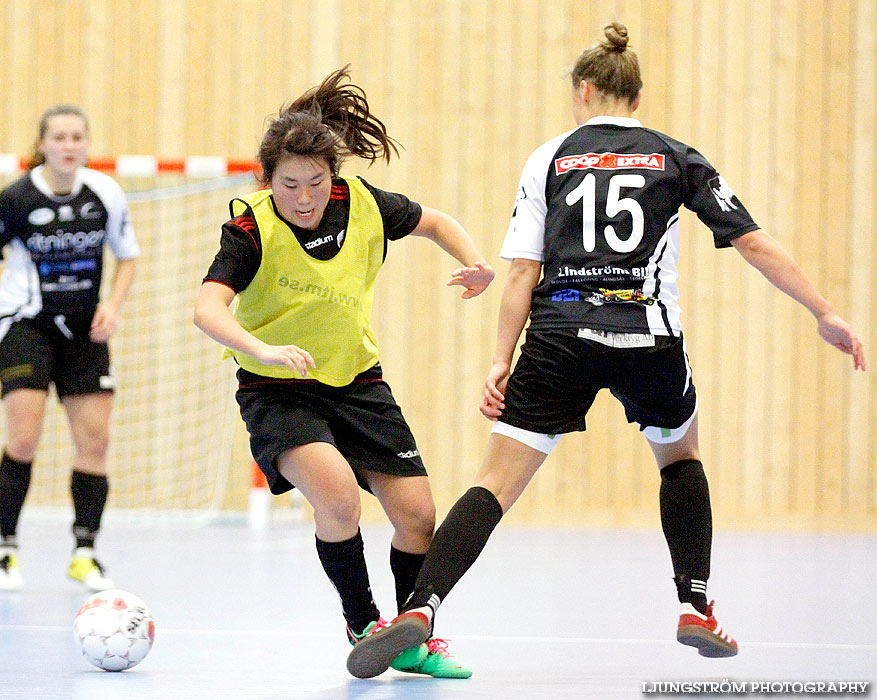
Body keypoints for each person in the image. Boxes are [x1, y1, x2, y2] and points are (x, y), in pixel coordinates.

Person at [346, 22, 867, 678]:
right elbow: (752, 241)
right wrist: (822, 310)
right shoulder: (675, 155)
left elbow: (519, 273)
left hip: (558, 336)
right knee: (679, 457)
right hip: (646, 337)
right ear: (636, 100)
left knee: (494, 483)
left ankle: (420, 607)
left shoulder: (551, 158)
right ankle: (694, 606)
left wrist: (501, 359)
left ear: (583, 91)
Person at [193, 66, 494, 679]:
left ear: (333, 176)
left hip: (357, 382)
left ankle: (414, 636)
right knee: (334, 496)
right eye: (288, 185)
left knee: (417, 516)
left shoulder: (363, 206)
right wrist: (263, 348)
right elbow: (205, 308)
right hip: (277, 390)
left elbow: (435, 221)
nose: (304, 199)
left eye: (316, 182)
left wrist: (477, 263)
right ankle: (363, 624)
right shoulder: (251, 229)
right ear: (267, 180)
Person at [0, 104, 139, 592]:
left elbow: (127, 258)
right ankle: (5, 550)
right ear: (43, 143)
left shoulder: (105, 193)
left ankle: (85, 552)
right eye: (59, 137)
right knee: (22, 438)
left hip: (85, 331)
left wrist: (112, 308)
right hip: (26, 326)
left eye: (77, 137)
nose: (68, 145)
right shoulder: (15, 198)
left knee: (95, 442)